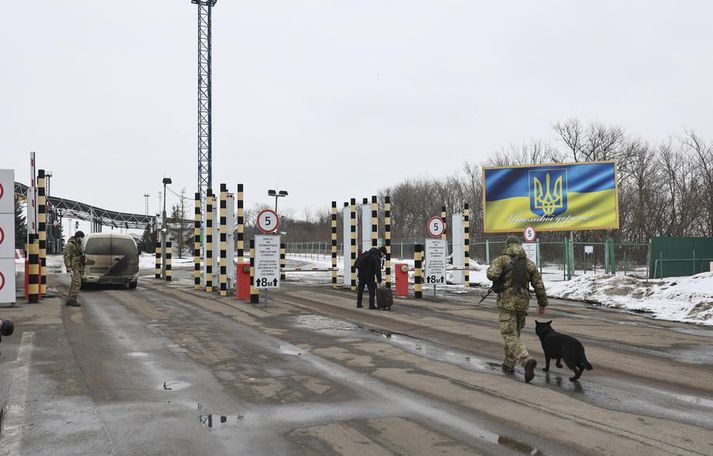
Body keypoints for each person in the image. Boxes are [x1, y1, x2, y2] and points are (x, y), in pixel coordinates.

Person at [486, 235, 547, 383]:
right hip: (522, 304)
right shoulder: (529, 263)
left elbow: (492, 275)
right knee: (515, 335)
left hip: (507, 303)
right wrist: (542, 303)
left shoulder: (502, 260)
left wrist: (495, 270)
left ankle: (526, 360)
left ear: (507, 246)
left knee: (509, 335)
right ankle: (509, 364)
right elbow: (538, 284)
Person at [64, 231, 86, 307]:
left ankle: (70, 299)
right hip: (74, 266)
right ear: (77, 237)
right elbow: (67, 257)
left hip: (78, 266)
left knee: (74, 284)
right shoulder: (70, 245)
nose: (81, 239)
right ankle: (72, 300)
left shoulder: (79, 245)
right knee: (77, 283)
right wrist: (68, 267)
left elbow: (81, 254)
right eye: (81, 237)